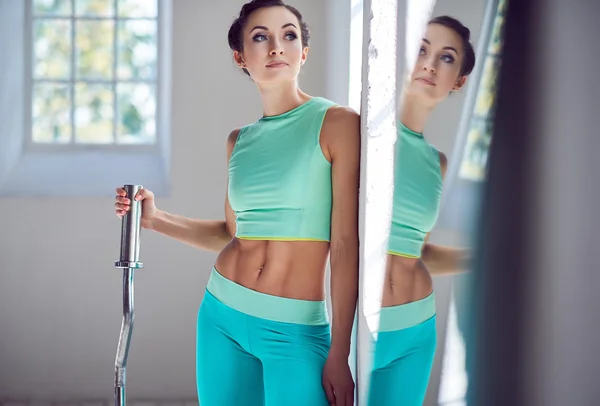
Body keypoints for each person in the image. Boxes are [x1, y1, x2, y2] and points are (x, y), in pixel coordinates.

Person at [114, 1, 360, 405]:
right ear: (241, 57)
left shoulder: (338, 123)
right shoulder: (239, 141)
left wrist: (340, 351)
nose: (276, 47)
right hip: (222, 317)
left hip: (296, 332)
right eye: (261, 37)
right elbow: (233, 234)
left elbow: (346, 245)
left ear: (304, 52)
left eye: (289, 35)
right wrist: (155, 219)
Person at [367, 15, 476, 406]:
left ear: (459, 81)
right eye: (422, 49)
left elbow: (419, 253)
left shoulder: (438, 164)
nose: (429, 64)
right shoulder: (363, 135)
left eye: (446, 58)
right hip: (361, 322)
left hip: (416, 332)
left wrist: (480, 257)